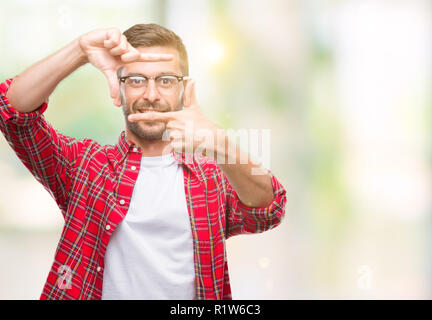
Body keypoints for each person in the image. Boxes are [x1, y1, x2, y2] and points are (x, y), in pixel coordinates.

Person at [0, 23, 286, 300]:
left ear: (183, 90)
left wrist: (221, 144)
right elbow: (12, 112)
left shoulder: (211, 175)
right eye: (136, 80)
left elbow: (268, 210)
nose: (151, 95)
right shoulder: (85, 166)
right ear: (119, 87)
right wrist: (80, 50)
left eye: (165, 81)